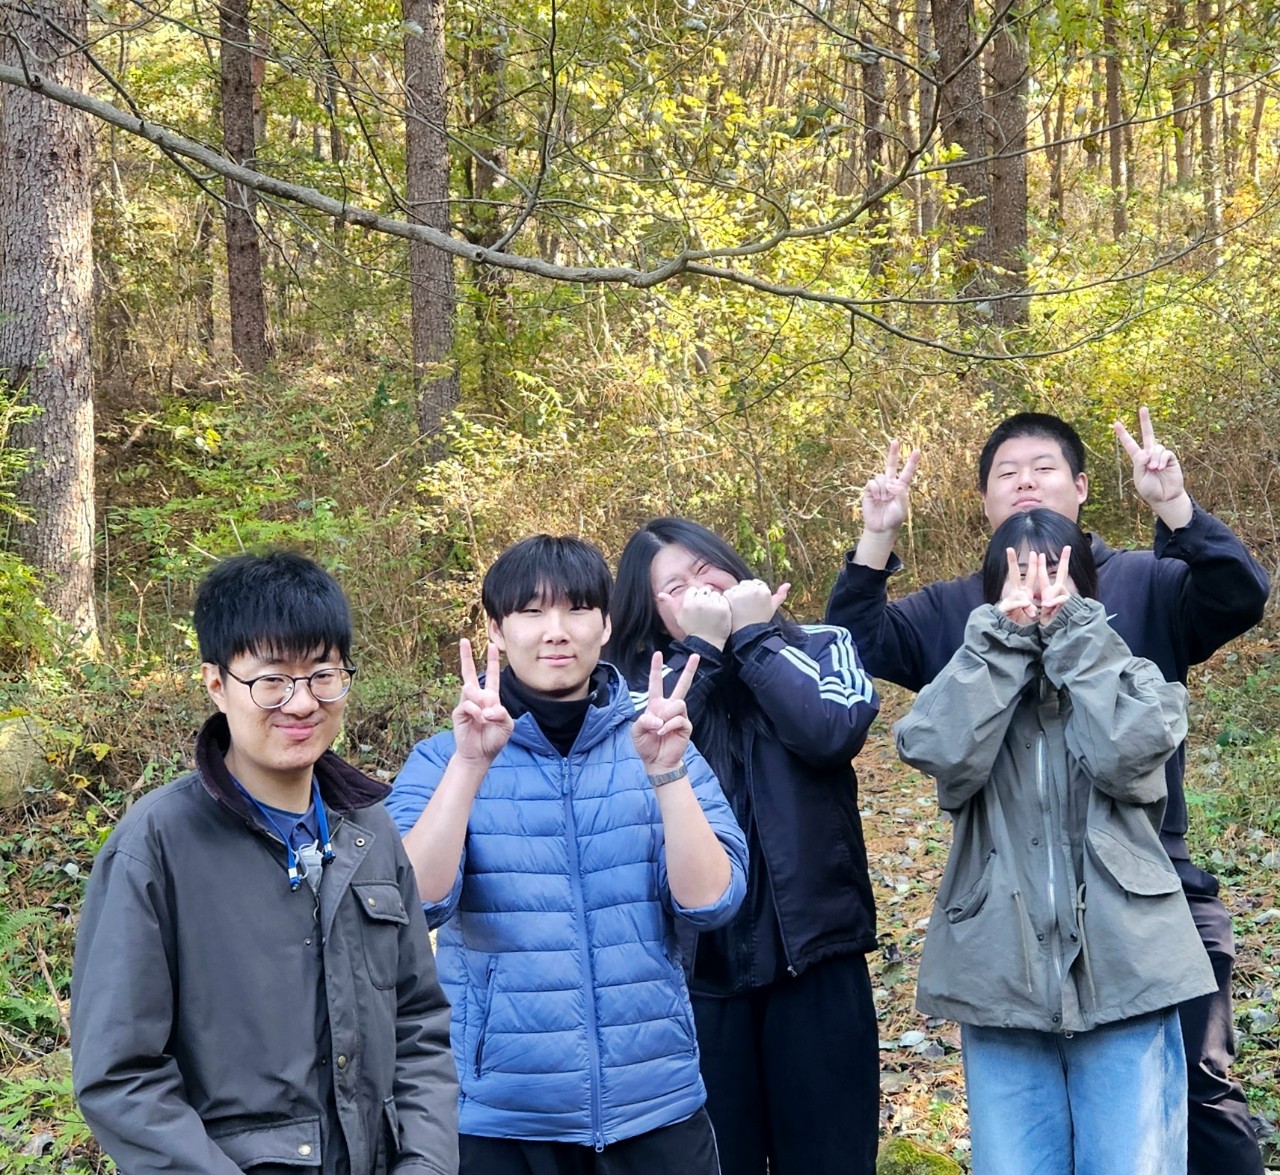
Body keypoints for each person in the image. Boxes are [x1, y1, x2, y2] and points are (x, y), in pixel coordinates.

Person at [826, 408, 1270, 1174]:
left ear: (1083, 486)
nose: (1025, 482)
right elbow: (859, 645)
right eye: (1007, 472)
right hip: (1006, 909)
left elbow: (1238, 595)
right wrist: (877, 536)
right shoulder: (961, 609)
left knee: (1199, 1096)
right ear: (984, 500)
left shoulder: (1140, 580)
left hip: (1150, 888)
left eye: (1043, 468)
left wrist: (1173, 505)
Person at [71, 551, 459, 1175]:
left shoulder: (370, 831)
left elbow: (418, 1024)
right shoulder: (158, 845)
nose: (301, 703)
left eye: (323, 675)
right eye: (272, 680)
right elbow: (121, 1076)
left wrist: (426, 1165)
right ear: (216, 684)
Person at [387, 534, 748, 1175]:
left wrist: (667, 774)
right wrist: (470, 766)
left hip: (655, 1103)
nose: (556, 631)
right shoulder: (443, 759)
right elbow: (412, 903)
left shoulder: (659, 739)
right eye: (531, 612)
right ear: (496, 630)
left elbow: (713, 902)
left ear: (605, 625)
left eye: (577, 609)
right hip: (500, 1117)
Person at [894, 509, 1217, 1174]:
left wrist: (1078, 638)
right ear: (992, 593)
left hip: (1127, 966)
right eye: (1019, 578)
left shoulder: (1134, 678)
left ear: (1087, 588)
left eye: (1055, 578)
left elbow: (1125, 756)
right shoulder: (971, 684)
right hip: (999, 971)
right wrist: (998, 644)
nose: (1038, 595)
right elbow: (932, 745)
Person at [607, 517, 881, 1175]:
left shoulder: (821, 643)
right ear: (648, 609)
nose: (701, 590)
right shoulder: (629, 687)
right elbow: (631, 770)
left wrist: (755, 639)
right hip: (692, 974)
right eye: (676, 586)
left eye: (707, 571)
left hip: (818, 956)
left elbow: (831, 730)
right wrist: (702, 649)